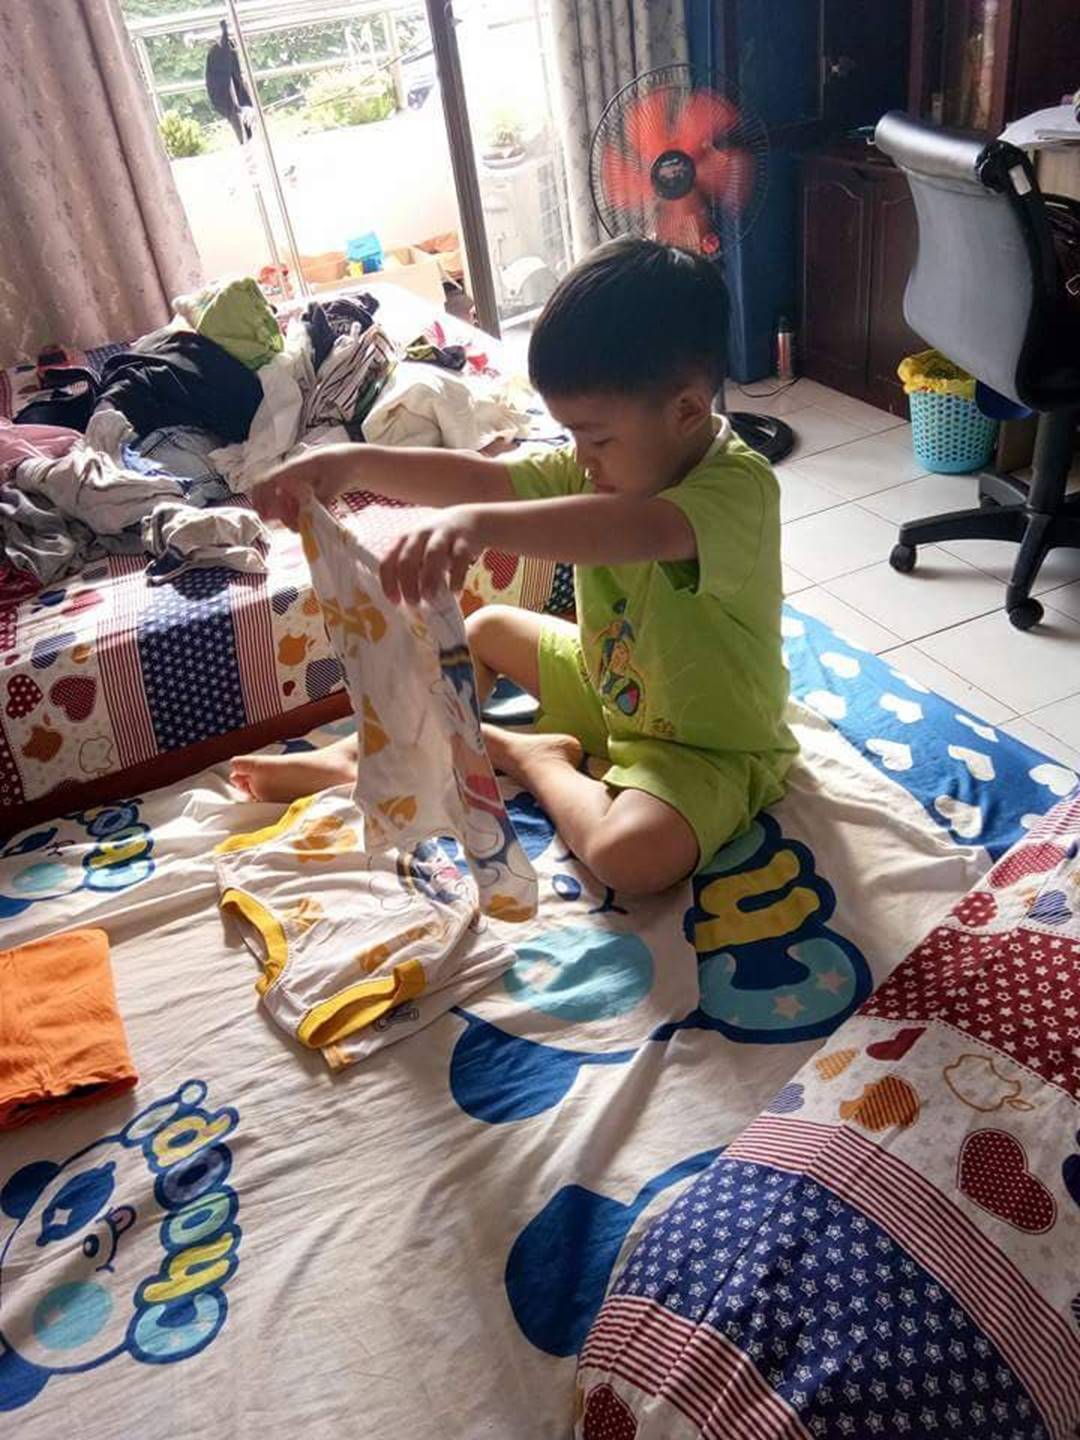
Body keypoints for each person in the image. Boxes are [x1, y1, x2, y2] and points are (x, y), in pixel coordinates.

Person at [233, 238, 797, 894]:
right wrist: (350, 464)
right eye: (573, 435)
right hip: (608, 685)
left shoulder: (739, 490)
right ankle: (368, 753)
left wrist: (478, 526)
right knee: (486, 629)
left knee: (628, 858)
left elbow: (631, 531)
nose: (581, 458)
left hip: (704, 743)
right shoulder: (598, 467)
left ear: (688, 411)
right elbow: (482, 478)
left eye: (597, 437)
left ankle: (526, 755)